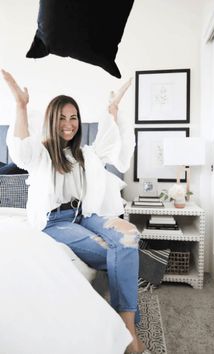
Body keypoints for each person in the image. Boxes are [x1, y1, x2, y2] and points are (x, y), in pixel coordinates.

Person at [1, 69, 151, 354]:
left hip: (85, 214)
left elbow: (112, 142)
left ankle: (125, 322)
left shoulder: (85, 154)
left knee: (129, 237)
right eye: (62, 118)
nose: (68, 125)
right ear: (51, 121)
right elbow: (19, 151)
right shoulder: (41, 152)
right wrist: (20, 106)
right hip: (54, 222)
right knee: (116, 251)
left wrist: (113, 108)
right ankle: (129, 332)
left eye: (73, 118)